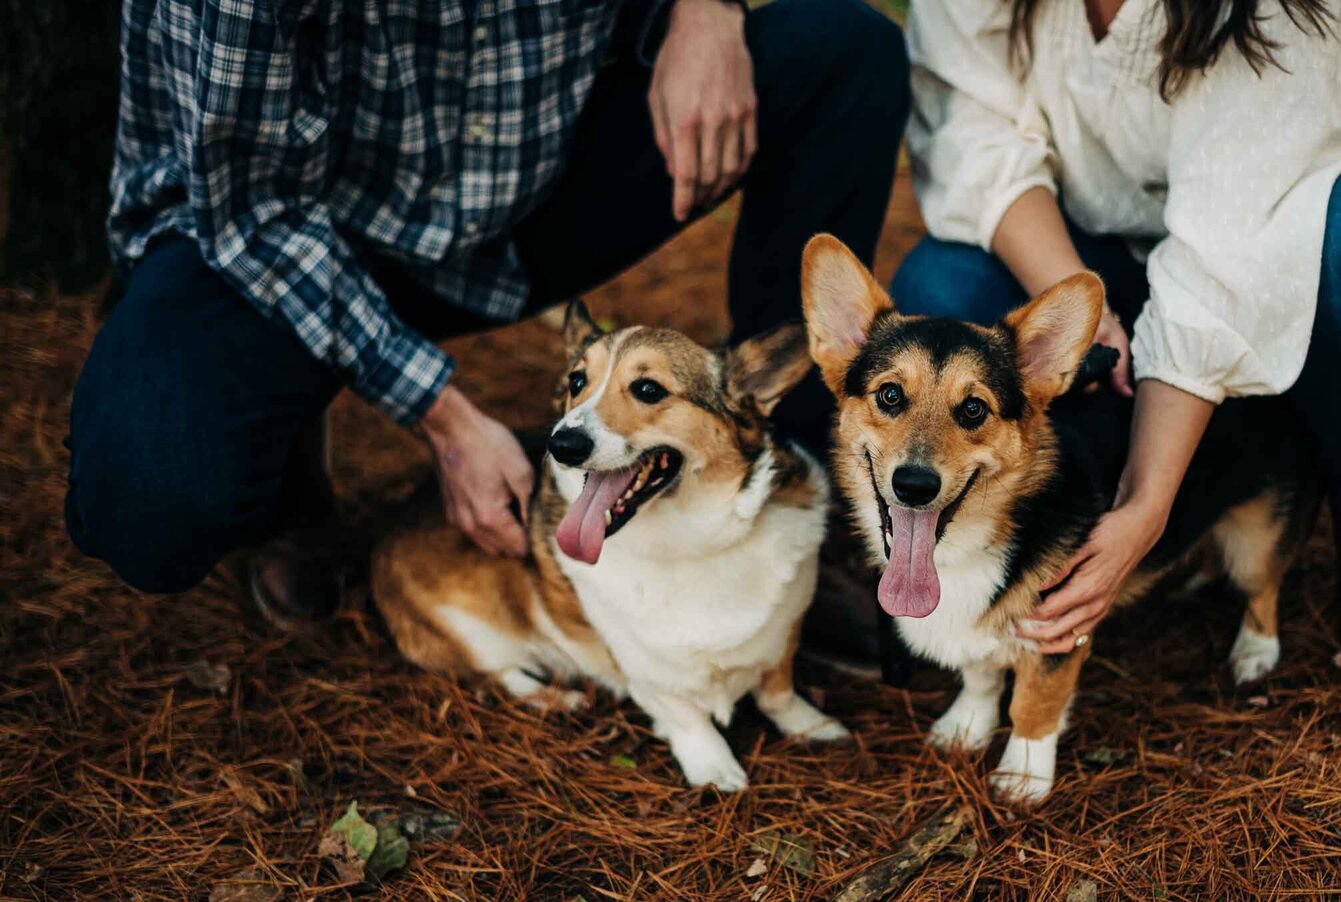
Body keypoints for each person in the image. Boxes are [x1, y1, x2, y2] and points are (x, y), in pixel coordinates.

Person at [66, 0, 909, 625]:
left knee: (845, 53)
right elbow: (251, 213)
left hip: (521, 193)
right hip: (279, 238)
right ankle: (286, 475)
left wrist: (706, 11)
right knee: (150, 504)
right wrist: (444, 417)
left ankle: (784, 487)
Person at [891, 0, 1341, 720]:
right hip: (1106, 241)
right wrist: (1081, 305)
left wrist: (1148, 501)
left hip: (1308, 230)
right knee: (943, 287)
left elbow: (1228, 248)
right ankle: (1016, 530)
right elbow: (974, 140)